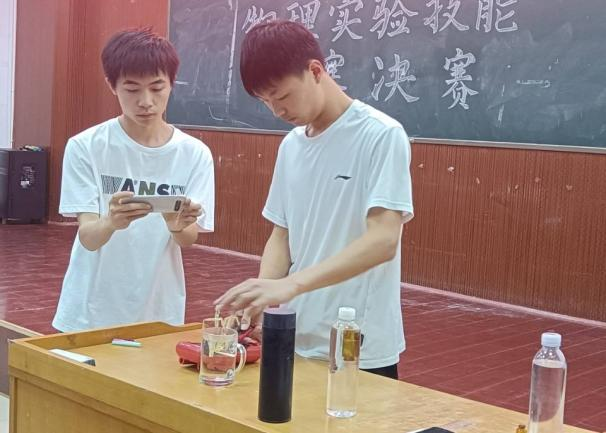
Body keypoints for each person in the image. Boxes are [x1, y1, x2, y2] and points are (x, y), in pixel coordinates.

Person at [215, 20, 413, 378]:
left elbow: (384, 241)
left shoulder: (380, 135)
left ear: (316, 71)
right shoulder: (291, 146)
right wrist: (262, 295)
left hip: (358, 344)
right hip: (296, 336)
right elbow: (282, 235)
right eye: (265, 101)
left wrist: (290, 284)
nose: (276, 111)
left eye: (282, 96)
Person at [52, 28, 215, 332]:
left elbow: (188, 238)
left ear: (172, 84)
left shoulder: (194, 154)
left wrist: (176, 225)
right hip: (89, 311)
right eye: (132, 89)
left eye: (157, 88)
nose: (146, 101)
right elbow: (88, 237)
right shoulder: (86, 146)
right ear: (111, 85)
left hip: (159, 309)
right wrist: (110, 222)